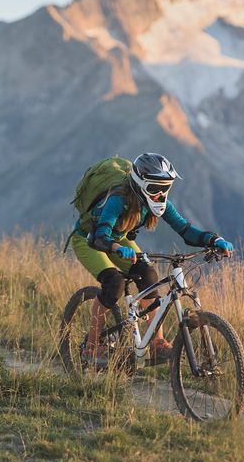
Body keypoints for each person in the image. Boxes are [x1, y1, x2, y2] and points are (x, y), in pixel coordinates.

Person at [70, 153, 234, 368]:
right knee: (114, 283)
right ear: (140, 184)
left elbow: (185, 230)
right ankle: (91, 347)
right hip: (90, 240)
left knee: (149, 275)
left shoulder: (158, 202)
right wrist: (117, 248)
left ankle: (156, 342)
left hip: (118, 240)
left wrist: (214, 239)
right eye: (155, 187)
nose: (160, 194)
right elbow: (100, 236)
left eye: (165, 188)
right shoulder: (118, 199)